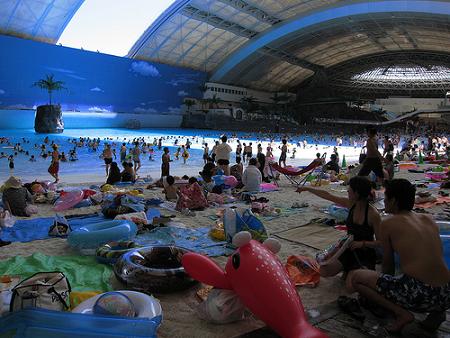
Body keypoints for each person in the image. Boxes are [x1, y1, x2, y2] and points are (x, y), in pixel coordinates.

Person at [351, 179, 450, 333]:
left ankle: (402, 314)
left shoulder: (389, 223)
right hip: (446, 292)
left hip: (420, 294)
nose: (384, 201)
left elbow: (388, 266)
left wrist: (381, 285)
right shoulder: (428, 219)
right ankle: (437, 314)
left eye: (386, 198)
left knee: (357, 278)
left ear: (394, 201)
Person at [296, 176, 381, 290]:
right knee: (324, 271)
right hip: (348, 249)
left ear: (356, 193)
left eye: (349, 190)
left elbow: (381, 242)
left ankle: (352, 271)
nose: (347, 191)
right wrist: (307, 188)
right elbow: (327, 195)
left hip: (364, 253)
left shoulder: (373, 214)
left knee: (350, 286)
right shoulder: (351, 205)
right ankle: (348, 269)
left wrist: (361, 244)